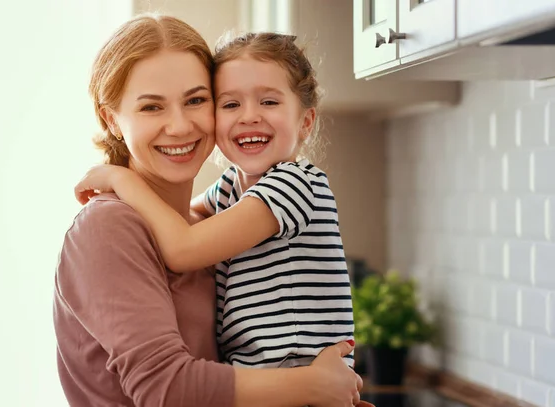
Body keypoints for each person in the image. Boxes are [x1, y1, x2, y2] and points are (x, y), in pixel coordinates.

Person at [55, 13, 370, 407]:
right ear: (112, 119)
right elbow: (167, 390)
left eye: (196, 100)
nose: (180, 125)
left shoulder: (205, 221)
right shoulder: (108, 226)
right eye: (152, 107)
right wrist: (311, 385)